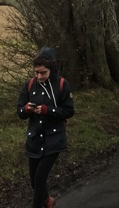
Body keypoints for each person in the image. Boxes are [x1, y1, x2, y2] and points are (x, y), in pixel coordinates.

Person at [17, 47, 75, 208]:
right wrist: (27, 109)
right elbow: (19, 112)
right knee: (34, 181)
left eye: (43, 73)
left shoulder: (62, 85)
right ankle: (48, 201)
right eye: (36, 72)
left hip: (54, 138)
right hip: (34, 139)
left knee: (39, 179)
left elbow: (69, 111)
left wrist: (47, 110)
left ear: (51, 69)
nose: (39, 76)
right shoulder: (29, 85)